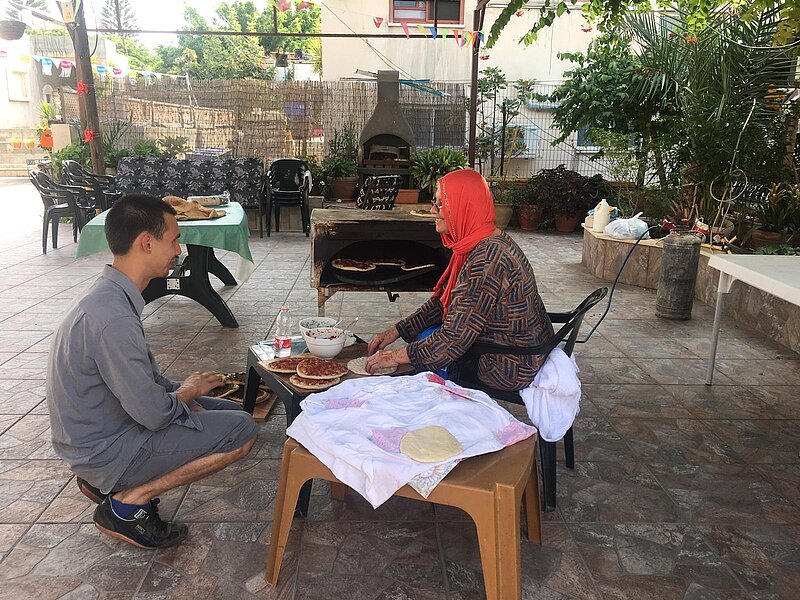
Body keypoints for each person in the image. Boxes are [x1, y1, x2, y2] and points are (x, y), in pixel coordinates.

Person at [46, 194, 259, 549]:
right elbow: (154, 414)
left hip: (104, 430)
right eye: (174, 240)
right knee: (242, 431)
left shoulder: (110, 295)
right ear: (146, 243)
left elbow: (146, 383)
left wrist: (186, 399)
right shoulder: (112, 318)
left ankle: (107, 485)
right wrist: (187, 394)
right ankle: (126, 503)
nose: (178, 250)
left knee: (228, 412)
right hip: (103, 449)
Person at [365, 169, 553, 391]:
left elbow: (453, 340)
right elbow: (444, 303)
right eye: (434, 203)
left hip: (509, 364)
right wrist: (397, 331)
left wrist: (393, 357)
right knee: (423, 337)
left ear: (464, 207)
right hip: (519, 348)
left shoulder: (486, 260)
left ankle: (438, 407)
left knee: (422, 358)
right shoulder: (483, 240)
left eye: (441, 204)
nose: (433, 211)